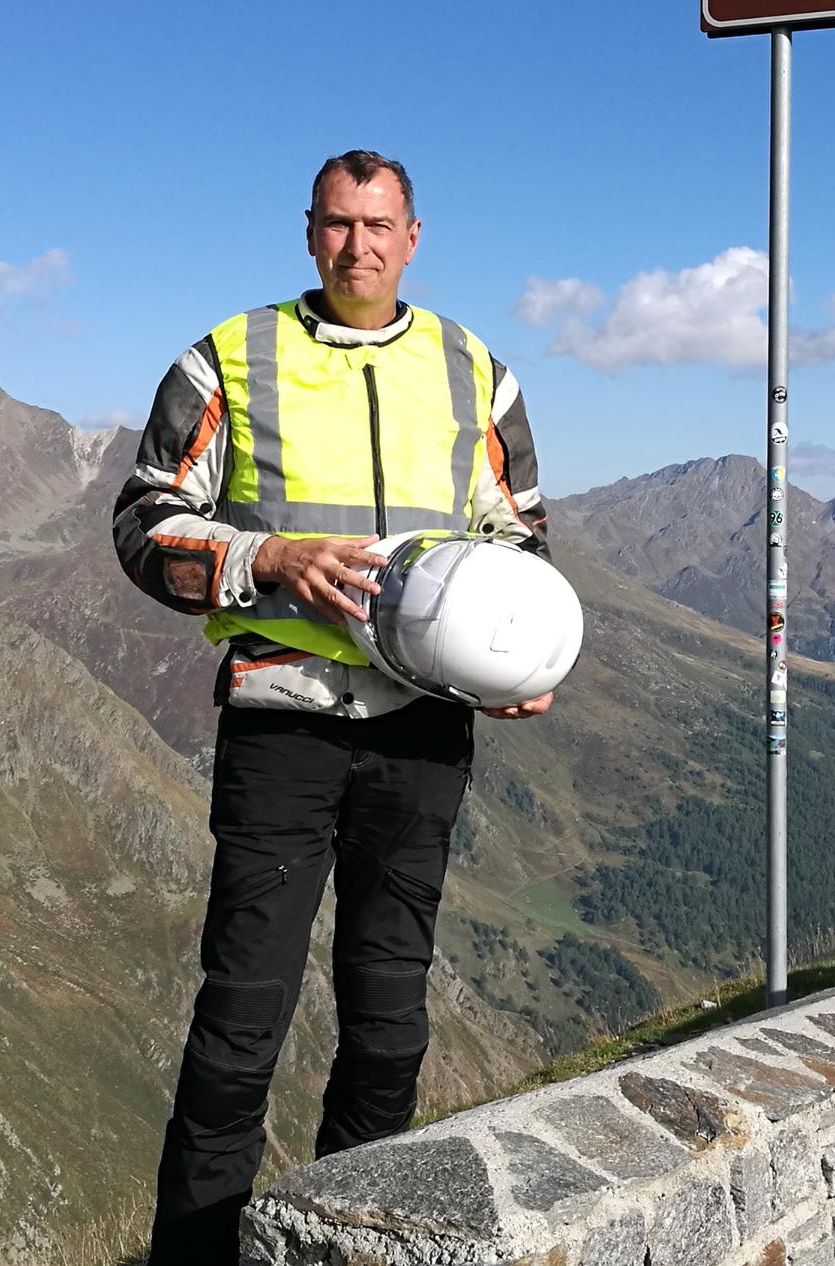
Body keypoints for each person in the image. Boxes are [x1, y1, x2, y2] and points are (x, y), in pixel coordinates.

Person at [111, 149, 552, 1264]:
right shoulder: (229, 360)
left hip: (420, 732)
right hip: (282, 724)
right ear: (308, 233)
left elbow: (518, 539)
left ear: (414, 236)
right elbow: (143, 523)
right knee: (239, 1025)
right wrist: (269, 557)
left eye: (378, 226)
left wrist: (515, 660)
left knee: (390, 1022)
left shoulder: (475, 371)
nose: (358, 246)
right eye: (336, 225)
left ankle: (352, 1245)